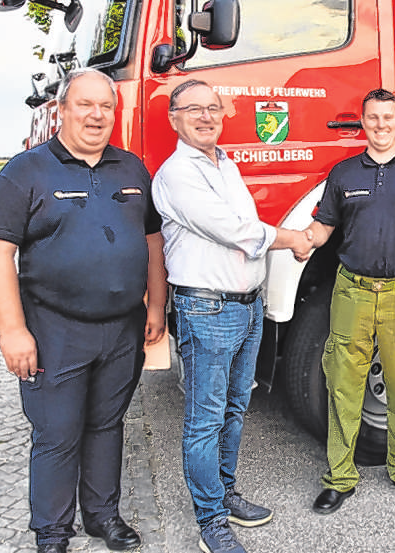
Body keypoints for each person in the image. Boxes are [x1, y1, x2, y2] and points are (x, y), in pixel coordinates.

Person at [0, 68, 168, 553]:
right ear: (62, 110)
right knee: (57, 433)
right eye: (85, 105)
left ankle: (104, 517)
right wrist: (12, 330)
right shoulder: (25, 171)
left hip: (122, 327)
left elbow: (151, 239)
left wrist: (156, 304)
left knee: (107, 424)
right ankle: (53, 533)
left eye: (106, 106)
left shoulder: (131, 169)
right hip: (53, 329)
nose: (97, 115)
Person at [152, 79, 313, 553]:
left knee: (235, 409)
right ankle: (211, 521)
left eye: (213, 108)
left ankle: (225, 493)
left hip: (245, 308)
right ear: (173, 118)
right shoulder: (177, 174)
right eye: (193, 109)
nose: (205, 116)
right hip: (208, 308)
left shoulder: (225, 164)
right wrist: (294, 238)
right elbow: (233, 230)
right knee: (205, 419)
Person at [301, 88, 395, 514]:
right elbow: (323, 229)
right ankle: (340, 478)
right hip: (352, 292)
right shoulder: (344, 173)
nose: (381, 125)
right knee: (343, 387)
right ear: (362, 123)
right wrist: (295, 240)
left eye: (388, 117)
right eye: (372, 118)